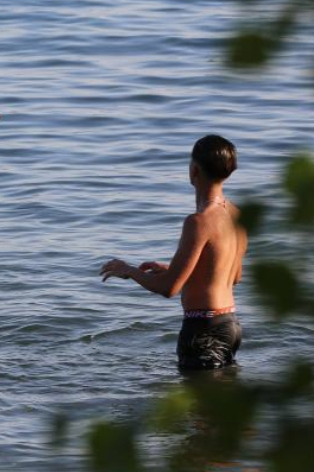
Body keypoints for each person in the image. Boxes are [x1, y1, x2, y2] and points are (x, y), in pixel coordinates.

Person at [100, 135, 248, 369]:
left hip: (203, 331)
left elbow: (169, 288)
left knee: (198, 404)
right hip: (230, 326)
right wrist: (174, 269)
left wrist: (128, 271)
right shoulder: (237, 215)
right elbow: (233, 277)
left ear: (195, 170)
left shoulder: (198, 222)